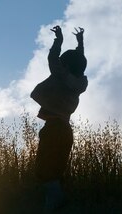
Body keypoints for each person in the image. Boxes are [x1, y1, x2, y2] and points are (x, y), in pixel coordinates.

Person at [31, 25, 87, 212]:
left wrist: (59, 41)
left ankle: (56, 202)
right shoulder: (78, 82)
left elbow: (52, 59)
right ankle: (54, 204)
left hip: (54, 127)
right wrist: (80, 43)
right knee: (55, 171)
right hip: (65, 129)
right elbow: (78, 61)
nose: (60, 64)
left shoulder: (62, 75)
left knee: (44, 171)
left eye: (63, 63)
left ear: (66, 66)